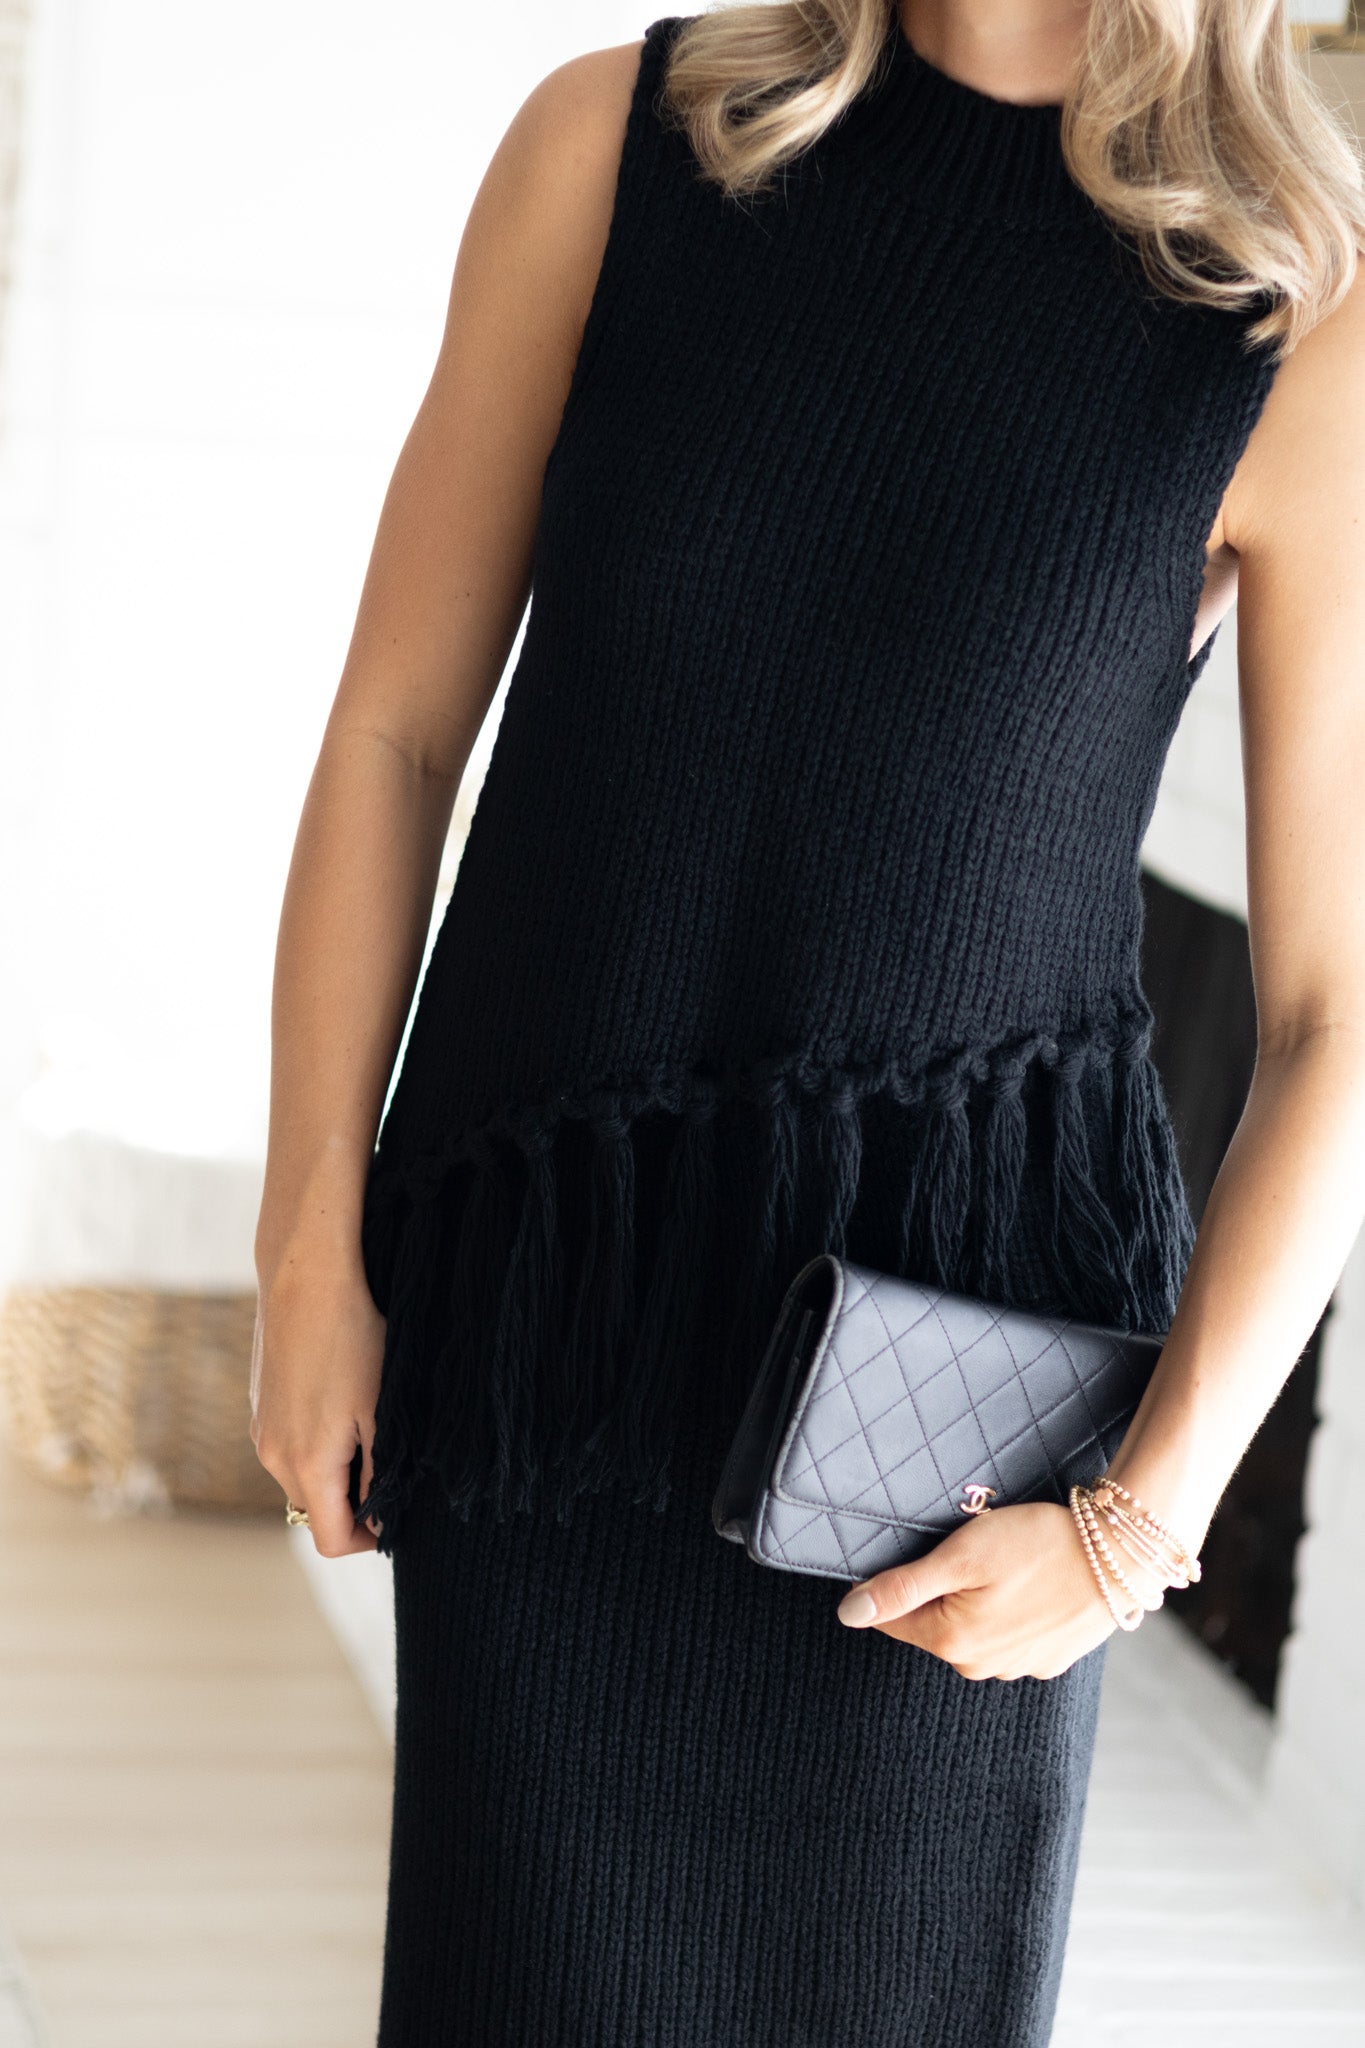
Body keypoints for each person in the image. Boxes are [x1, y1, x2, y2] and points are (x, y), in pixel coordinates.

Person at [248, 1, 1365, 2041]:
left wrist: (1137, 1526)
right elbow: (398, 735)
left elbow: (1330, 1015)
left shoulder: (1285, 305)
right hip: (549, 1330)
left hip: (945, 1438)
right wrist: (305, 1244)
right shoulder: (615, 149)